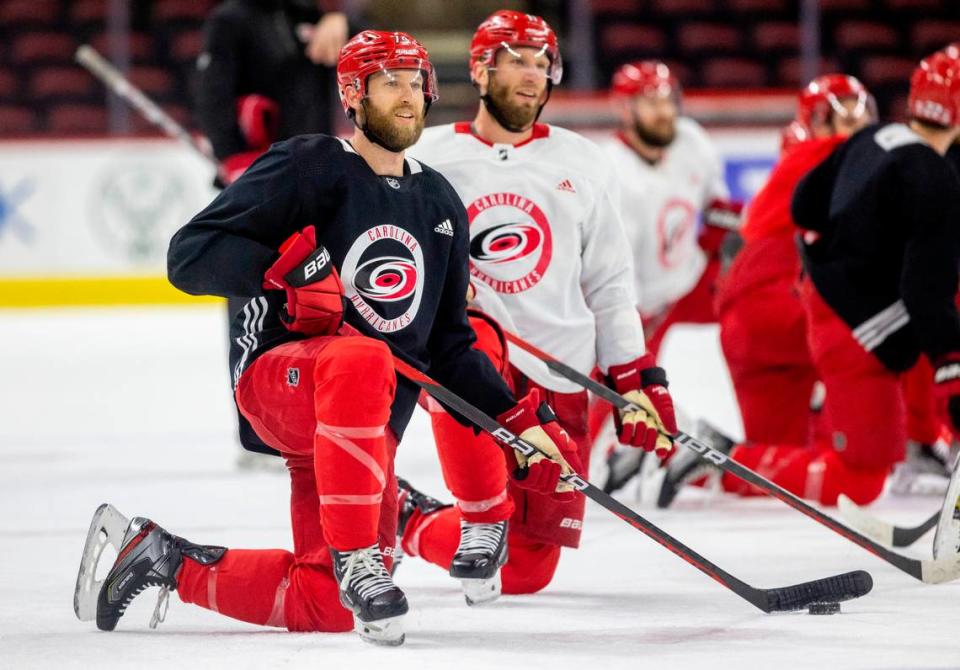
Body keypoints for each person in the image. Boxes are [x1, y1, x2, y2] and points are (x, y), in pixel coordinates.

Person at [77, 31, 581, 647]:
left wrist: (521, 422)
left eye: (415, 81)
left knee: (327, 605)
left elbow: (449, 347)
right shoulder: (306, 163)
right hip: (281, 386)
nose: (408, 95)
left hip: (360, 431)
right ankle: (358, 555)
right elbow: (189, 257)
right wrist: (282, 268)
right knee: (365, 358)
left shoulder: (439, 201)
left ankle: (161, 559)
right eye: (388, 80)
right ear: (353, 92)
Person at [399, 10, 677, 606]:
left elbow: (609, 279)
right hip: (468, 358)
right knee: (472, 345)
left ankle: (409, 521)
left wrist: (635, 375)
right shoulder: (428, 156)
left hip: (558, 369)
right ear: (480, 70)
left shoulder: (583, 160)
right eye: (516, 60)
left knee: (525, 570)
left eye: (542, 62)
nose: (532, 75)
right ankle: (478, 515)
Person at [787, 50, 960, 506]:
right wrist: (954, 371)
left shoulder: (877, 134)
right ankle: (720, 461)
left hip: (831, 304)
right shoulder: (936, 176)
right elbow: (926, 293)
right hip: (857, 322)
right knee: (860, 480)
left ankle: (919, 442)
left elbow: (804, 205)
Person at [194, 0, 356, 468]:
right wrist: (232, 154)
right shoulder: (234, 19)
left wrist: (343, 21)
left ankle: (307, 417)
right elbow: (211, 93)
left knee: (318, 302)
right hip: (259, 181)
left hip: (319, 178)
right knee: (254, 303)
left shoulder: (311, 13)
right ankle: (256, 424)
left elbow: (367, 36)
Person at [711, 75, 876, 501]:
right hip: (784, 311)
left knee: (778, 465)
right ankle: (922, 437)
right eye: (846, 111)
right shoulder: (833, 157)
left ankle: (696, 461)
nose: (857, 122)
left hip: (748, 328)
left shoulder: (798, 164)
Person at [592, 61, 742, 495]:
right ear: (625, 108)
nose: (663, 111)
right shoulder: (612, 171)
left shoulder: (691, 140)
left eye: (666, 99)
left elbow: (719, 207)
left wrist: (723, 244)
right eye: (650, 102)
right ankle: (668, 440)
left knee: (766, 310)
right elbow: (608, 264)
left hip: (692, 279)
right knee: (611, 387)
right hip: (640, 303)